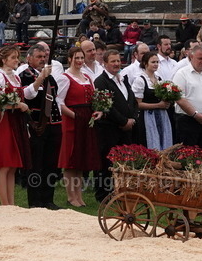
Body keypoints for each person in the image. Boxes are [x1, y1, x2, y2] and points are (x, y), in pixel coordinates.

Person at [0, 45, 46, 206]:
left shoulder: (16, 77)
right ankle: (4, 203)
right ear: (4, 59)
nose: (16, 61)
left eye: (17, 57)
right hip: (6, 122)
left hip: (16, 121)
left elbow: (24, 93)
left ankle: (11, 203)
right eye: (13, 58)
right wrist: (18, 106)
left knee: (13, 166)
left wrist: (39, 80)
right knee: (4, 164)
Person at [56, 46, 102, 207]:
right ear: (70, 59)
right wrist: (74, 115)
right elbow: (59, 102)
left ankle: (79, 195)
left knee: (81, 158)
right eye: (76, 58)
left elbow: (95, 98)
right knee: (71, 159)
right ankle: (71, 196)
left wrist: (97, 110)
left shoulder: (87, 77)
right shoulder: (65, 78)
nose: (80, 61)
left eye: (82, 58)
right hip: (72, 120)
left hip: (87, 119)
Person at [93, 49, 139, 203]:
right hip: (109, 129)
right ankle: (103, 194)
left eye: (118, 60)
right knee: (107, 162)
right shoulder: (101, 81)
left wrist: (132, 118)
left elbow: (131, 100)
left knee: (123, 162)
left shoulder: (123, 79)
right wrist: (123, 121)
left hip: (126, 129)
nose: (116, 64)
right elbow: (107, 106)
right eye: (112, 61)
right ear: (105, 63)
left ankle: (119, 191)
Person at [21, 44, 63, 210]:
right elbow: (26, 94)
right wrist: (41, 78)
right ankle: (35, 200)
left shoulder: (50, 77)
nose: (42, 60)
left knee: (51, 163)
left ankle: (48, 198)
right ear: (29, 58)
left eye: (44, 57)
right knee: (36, 164)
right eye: (38, 57)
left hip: (53, 123)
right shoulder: (25, 74)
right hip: (37, 123)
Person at [172, 43, 202, 152]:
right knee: (186, 155)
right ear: (191, 57)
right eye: (200, 58)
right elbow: (179, 98)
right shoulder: (181, 74)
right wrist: (195, 114)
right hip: (187, 121)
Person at [133, 51, 173, 150]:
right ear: (145, 63)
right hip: (147, 117)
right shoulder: (140, 80)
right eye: (153, 62)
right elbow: (138, 104)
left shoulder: (159, 79)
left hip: (162, 116)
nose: (156, 64)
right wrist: (158, 105)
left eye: (157, 62)